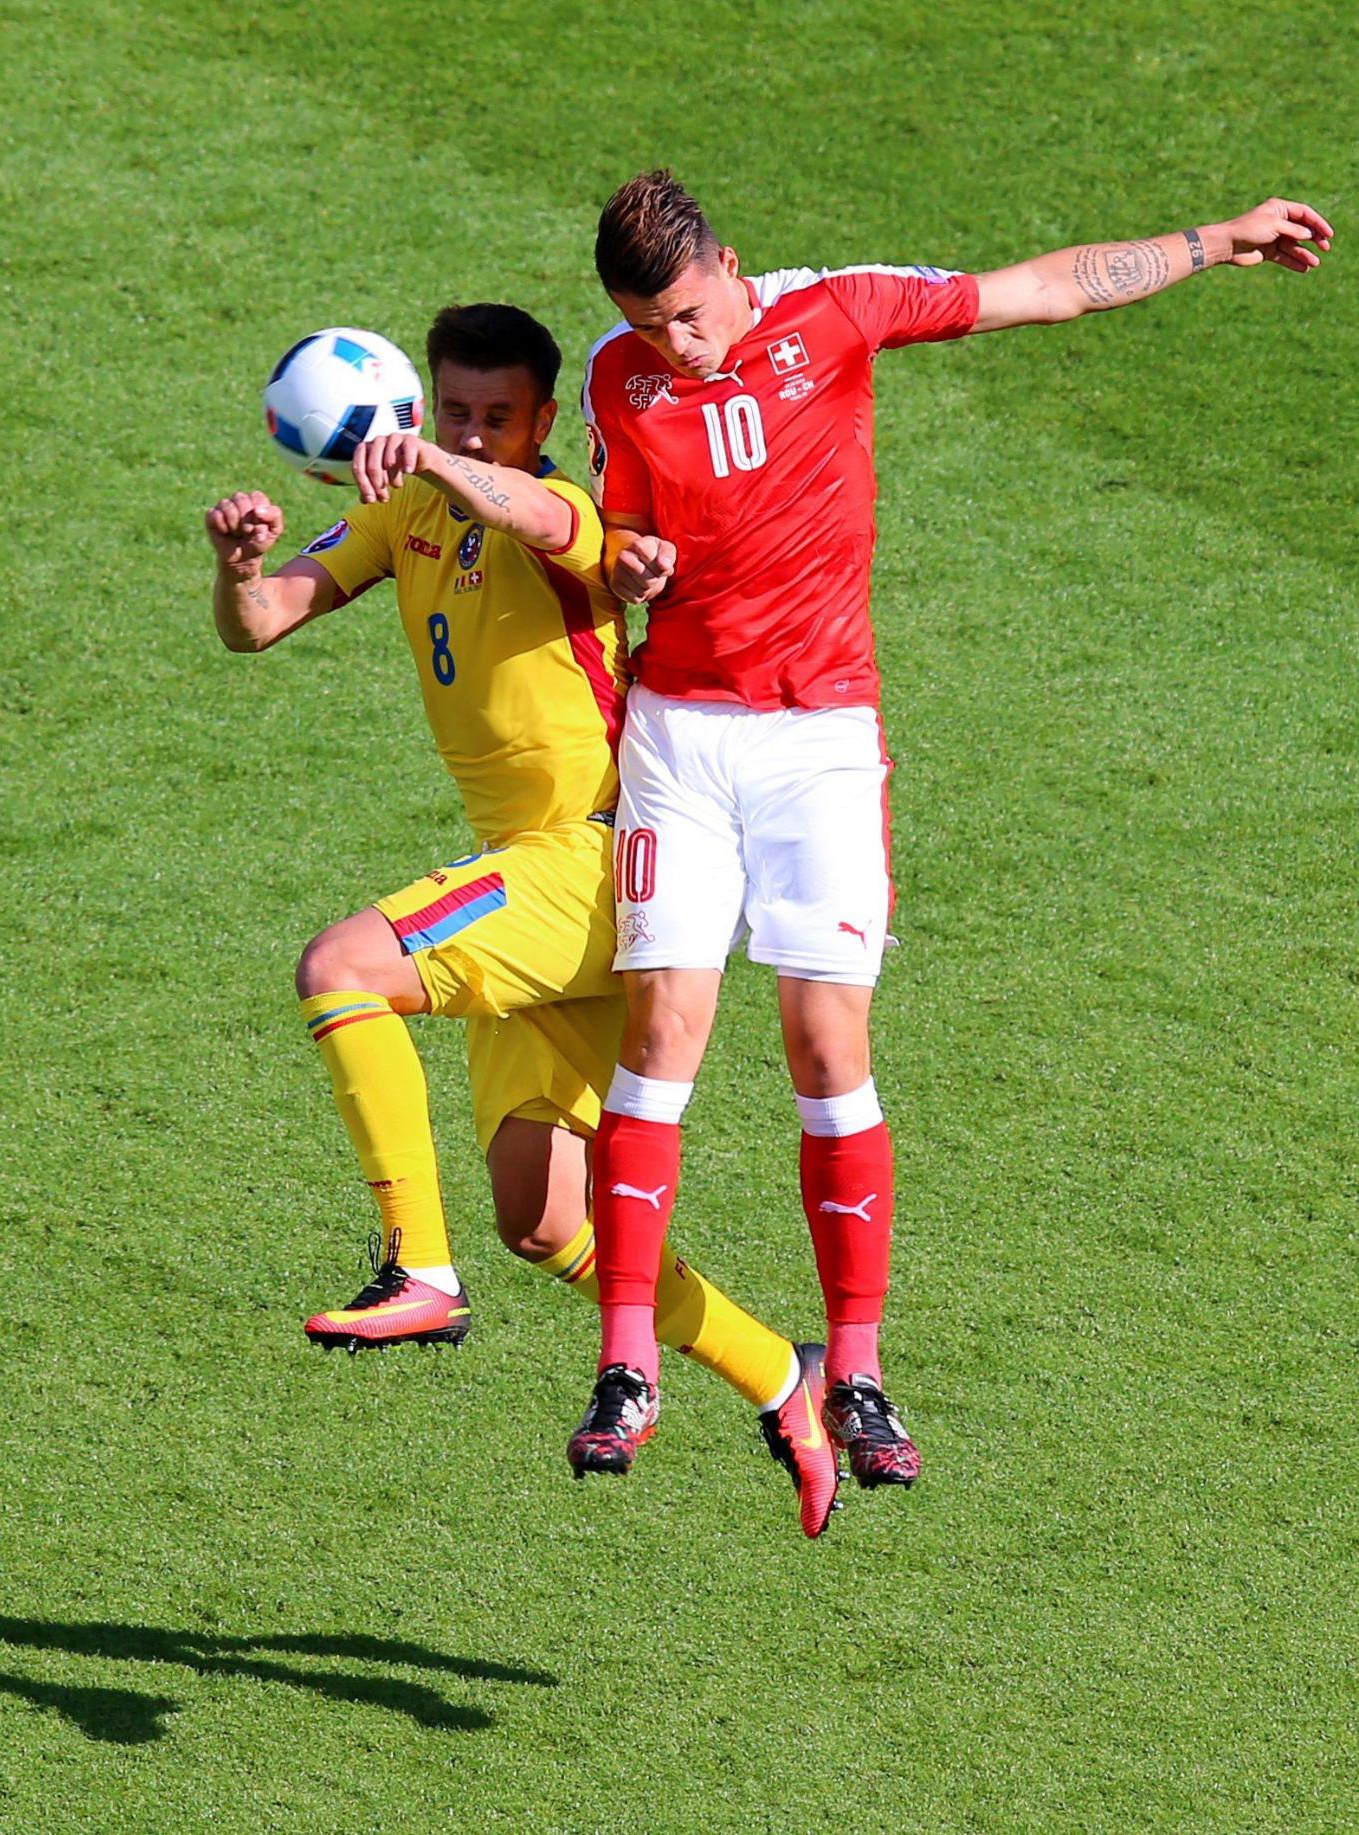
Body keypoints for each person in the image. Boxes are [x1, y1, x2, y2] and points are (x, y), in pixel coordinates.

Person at [565, 171, 1332, 1488]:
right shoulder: (612, 374)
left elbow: (1039, 289)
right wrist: (624, 558)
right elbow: (616, 528)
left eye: (688, 314)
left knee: (827, 1043)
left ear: (731, 266)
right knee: (660, 1033)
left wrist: (1217, 240)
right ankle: (626, 1363)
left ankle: (856, 1371)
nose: (675, 345)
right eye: (649, 324)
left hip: (818, 742)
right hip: (679, 740)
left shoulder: (839, 312)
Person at [207, 303, 840, 1534]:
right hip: (544, 878)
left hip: (602, 859)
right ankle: (783, 1376)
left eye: (497, 417)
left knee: (343, 967)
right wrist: (239, 568)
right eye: (453, 412)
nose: (470, 434)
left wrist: (452, 468)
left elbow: (544, 521)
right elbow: (263, 621)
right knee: (547, 1220)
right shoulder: (404, 510)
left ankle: (416, 1268)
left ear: (543, 419)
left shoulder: (566, 509)